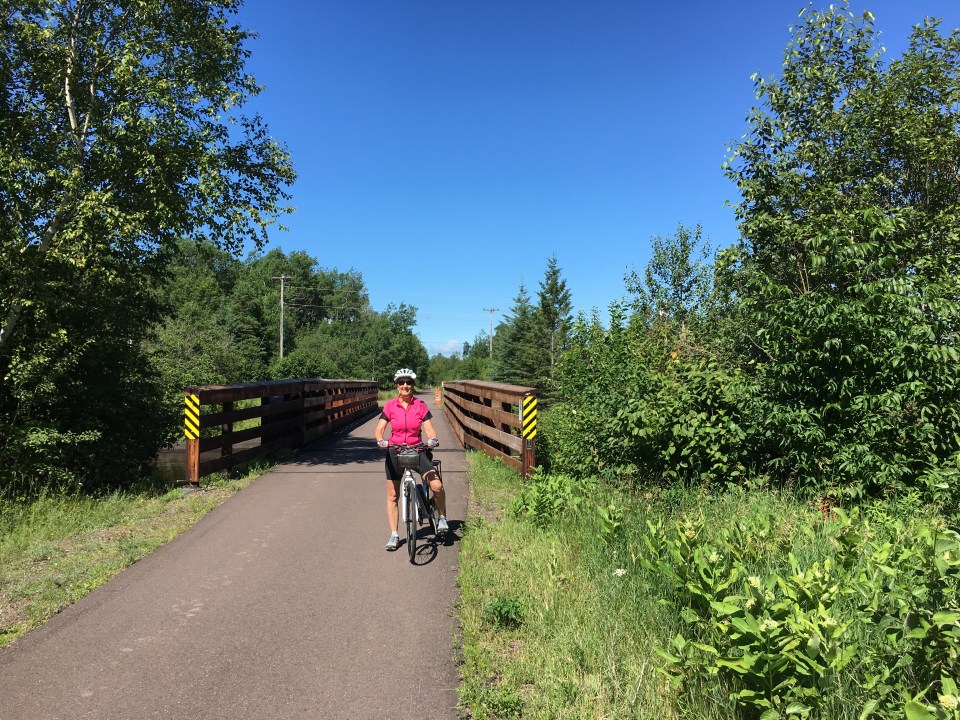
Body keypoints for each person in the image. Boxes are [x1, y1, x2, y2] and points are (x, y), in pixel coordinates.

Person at [374, 368, 448, 551]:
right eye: (401, 382)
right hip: (395, 451)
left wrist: (432, 439)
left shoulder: (421, 405)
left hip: (417, 449)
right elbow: (380, 428)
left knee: (437, 485)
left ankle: (442, 517)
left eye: (409, 382)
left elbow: (429, 428)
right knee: (393, 495)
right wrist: (380, 440)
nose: (405, 385)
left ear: (413, 385)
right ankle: (394, 534)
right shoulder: (390, 406)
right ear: (396, 386)